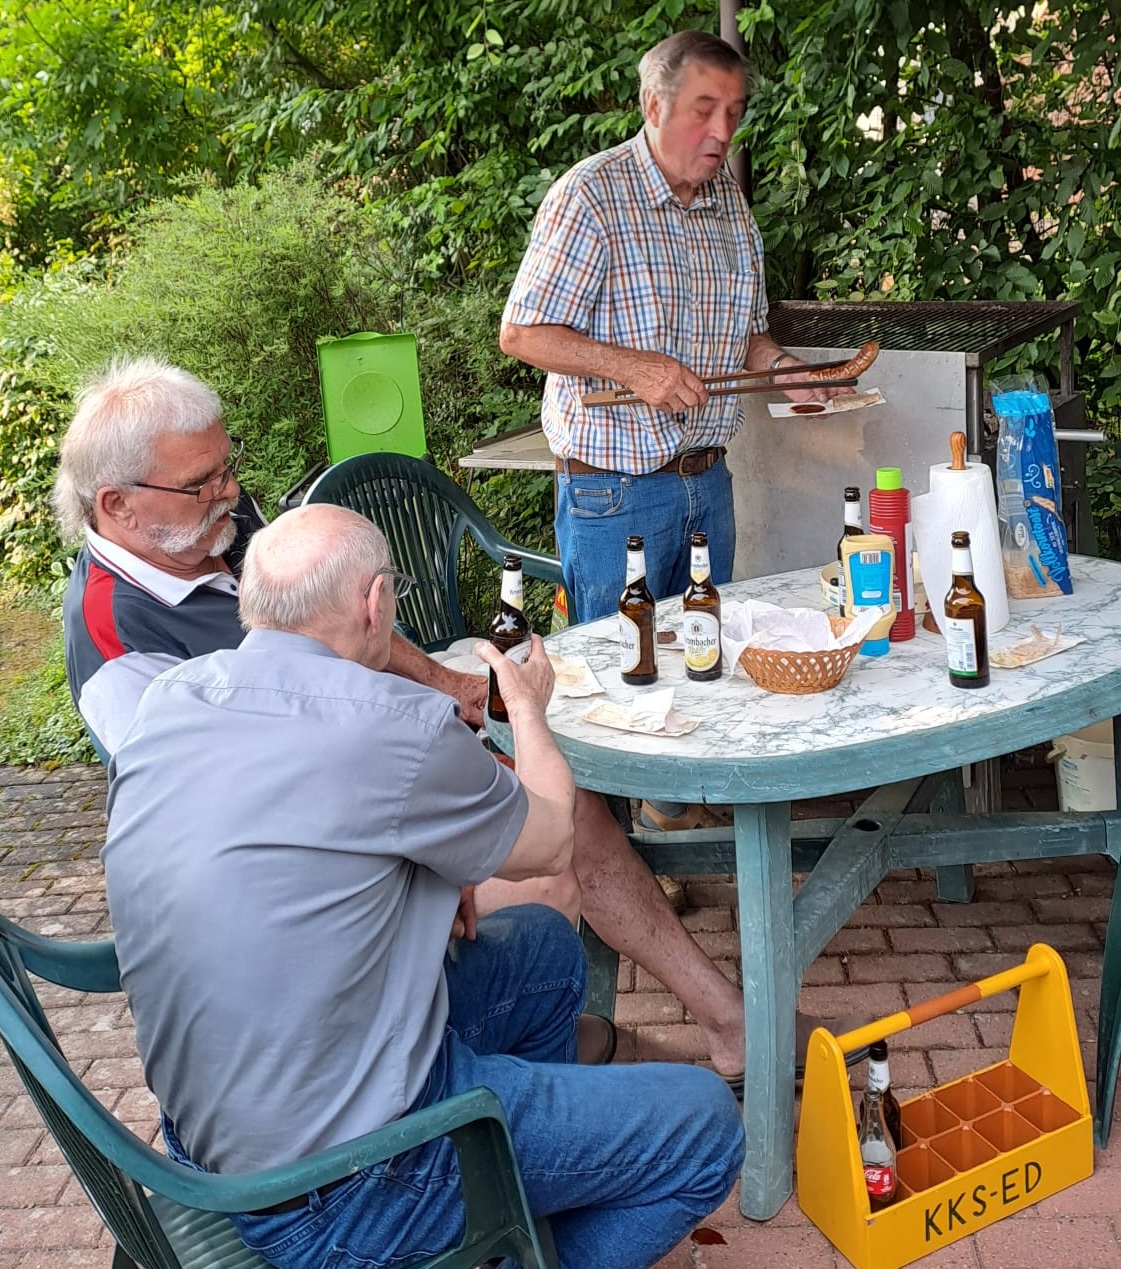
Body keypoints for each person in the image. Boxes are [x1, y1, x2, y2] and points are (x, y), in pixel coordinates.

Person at [54, 355, 862, 1083]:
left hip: (372, 776)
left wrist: (452, 686)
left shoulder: (209, 530)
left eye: (225, 468)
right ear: (118, 505)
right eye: (203, 482)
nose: (230, 491)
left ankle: (634, 1033)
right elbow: (224, 822)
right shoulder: (114, 640)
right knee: (554, 843)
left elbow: (353, 619)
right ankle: (502, 1072)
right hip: (315, 896)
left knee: (567, 804)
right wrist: (428, 868)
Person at [99, 503, 746, 1269]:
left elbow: (287, 850)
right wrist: (527, 707)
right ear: (376, 604)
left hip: (220, 1134)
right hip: (343, 1185)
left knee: (542, 951)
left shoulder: (175, 697)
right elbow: (549, 841)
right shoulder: (389, 722)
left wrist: (431, 876)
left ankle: (507, 1221)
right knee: (705, 1125)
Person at [500, 29, 846, 626]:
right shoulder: (591, 196)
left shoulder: (730, 205)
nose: (722, 132)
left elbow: (747, 335)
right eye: (703, 111)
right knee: (618, 676)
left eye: (733, 114)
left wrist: (782, 370)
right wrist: (633, 367)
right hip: (614, 495)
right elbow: (523, 333)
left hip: (708, 483)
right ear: (654, 106)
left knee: (706, 664)